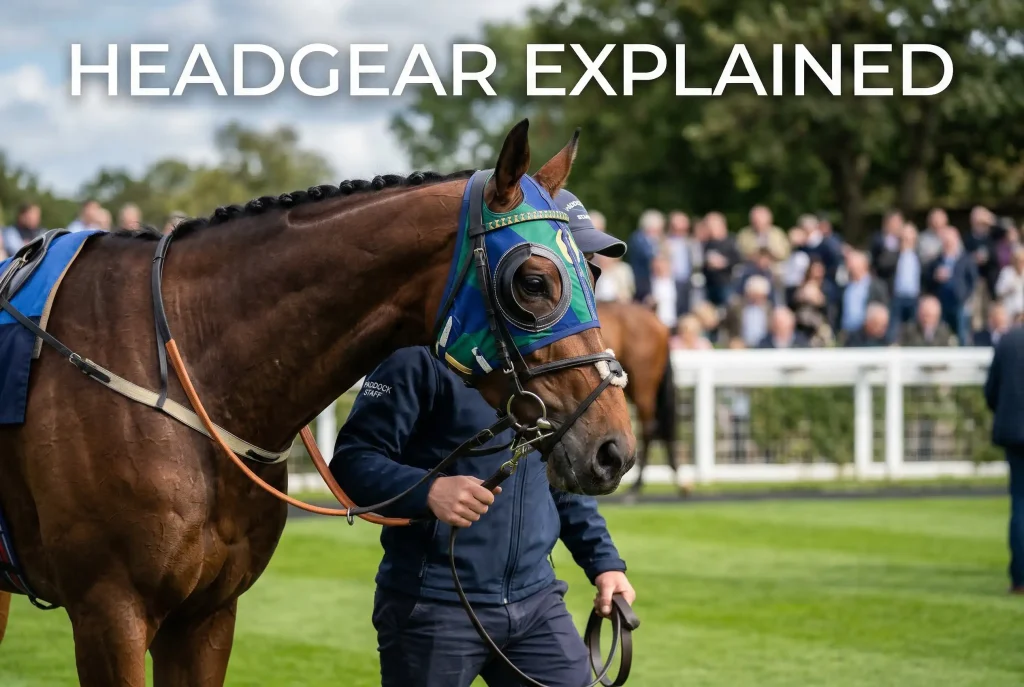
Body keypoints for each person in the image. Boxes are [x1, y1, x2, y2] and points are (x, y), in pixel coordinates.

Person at [329, 190, 635, 687]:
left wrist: (604, 563)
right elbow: (353, 460)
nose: (585, 277)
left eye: (588, 268)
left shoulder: (544, 369)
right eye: (577, 261)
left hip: (537, 605)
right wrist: (429, 491)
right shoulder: (420, 356)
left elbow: (558, 470)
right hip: (434, 610)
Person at [983, 326, 1024, 594]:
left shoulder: (1008, 340)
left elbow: (991, 390)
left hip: (1013, 431)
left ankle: (1020, 578)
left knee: (1020, 502)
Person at [923, 225, 977, 345]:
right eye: (945, 241)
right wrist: (936, 277)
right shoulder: (937, 260)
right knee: (941, 333)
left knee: (962, 333)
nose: (948, 243)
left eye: (950, 241)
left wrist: (966, 297)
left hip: (960, 302)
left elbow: (972, 280)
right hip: (942, 303)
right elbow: (928, 281)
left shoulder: (965, 259)